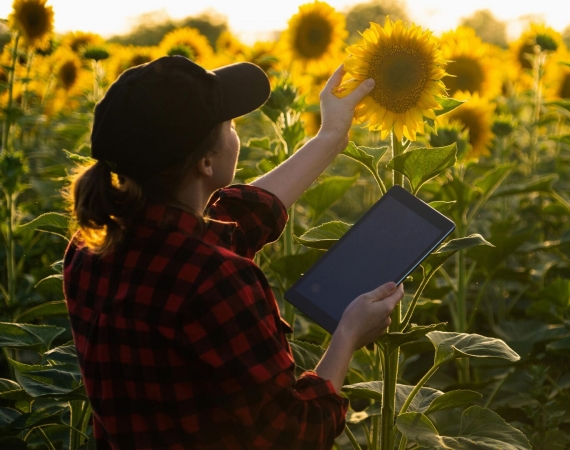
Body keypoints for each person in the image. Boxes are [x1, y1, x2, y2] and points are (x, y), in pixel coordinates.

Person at [63, 55, 402, 449]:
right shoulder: (216, 278)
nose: (235, 133)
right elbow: (294, 434)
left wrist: (331, 136)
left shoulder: (91, 248)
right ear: (206, 162)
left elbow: (237, 220)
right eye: (231, 125)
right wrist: (347, 335)